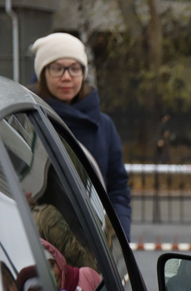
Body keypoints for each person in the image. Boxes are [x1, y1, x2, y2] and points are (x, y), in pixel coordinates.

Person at [31, 33, 132, 238]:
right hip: (39, 243)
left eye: (74, 68)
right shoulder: (27, 119)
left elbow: (117, 189)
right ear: (43, 73)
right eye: (57, 68)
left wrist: (120, 237)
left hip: (95, 246)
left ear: (83, 73)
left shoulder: (103, 126)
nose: (67, 77)